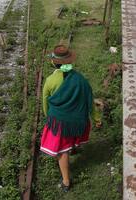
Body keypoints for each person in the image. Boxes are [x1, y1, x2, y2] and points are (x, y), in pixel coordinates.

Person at [40, 45, 102, 192]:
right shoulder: (81, 80)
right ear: (69, 62)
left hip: (59, 122)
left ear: (54, 63)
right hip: (78, 119)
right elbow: (89, 100)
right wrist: (96, 117)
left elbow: (45, 102)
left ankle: (66, 181)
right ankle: (74, 147)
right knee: (72, 136)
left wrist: (49, 118)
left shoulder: (50, 81)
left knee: (62, 151)